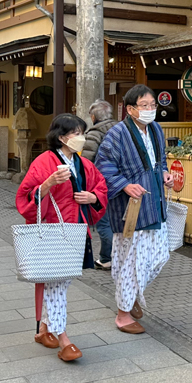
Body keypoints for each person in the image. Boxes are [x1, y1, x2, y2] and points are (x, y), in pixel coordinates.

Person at [15, 113, 108, 362]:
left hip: (76, 230)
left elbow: (100, 186)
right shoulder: (43, 163)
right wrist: (47, 184)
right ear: (61, 137)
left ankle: (45, 327)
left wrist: (93, 198)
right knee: (58, 284)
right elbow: (25, 198)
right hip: (54, 232)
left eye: (82, 132)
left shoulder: (82, 163)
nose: (81, 138)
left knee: (60, 282)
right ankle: (64, 339)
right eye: (77, 133)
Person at [96, 85, 172, 335]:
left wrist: (164, 174)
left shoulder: (157, 129)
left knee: (160, 256)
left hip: (155, 203)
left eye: (153, 105)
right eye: (145, 106)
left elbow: (159, 162)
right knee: (132, 263)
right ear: (130, 109)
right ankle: (123, 314)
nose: (150, 110)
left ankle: (132, 296)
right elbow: (103, 167)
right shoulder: (117, 134)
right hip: (131, 207)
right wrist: (125, 185)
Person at [83, 99, 118, 270]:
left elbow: (86, 161)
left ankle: (108, 258)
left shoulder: (94, 134)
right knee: (119, 221)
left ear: (93, 116)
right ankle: (114, 257)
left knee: (104, 222)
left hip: (102, 185)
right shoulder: (123, 130)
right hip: (123, 184)